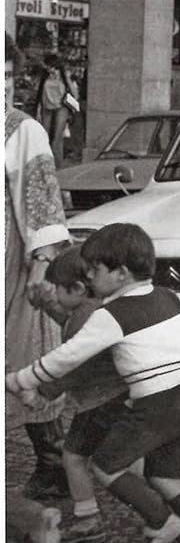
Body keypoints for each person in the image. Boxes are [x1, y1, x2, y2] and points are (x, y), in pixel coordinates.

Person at [3, 222, 180, 543]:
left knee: (105, 465)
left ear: (120, 273)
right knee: (164, 475)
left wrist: (20, 380)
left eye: (95, 270)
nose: (90, 278)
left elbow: (68, 357)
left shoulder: (110, 315)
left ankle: (161, 522)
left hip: (154, 405)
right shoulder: (166, 296)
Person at [5, 33, 71, 500]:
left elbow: (44, 204)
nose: (4, 86)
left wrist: (40, 267)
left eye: (7, 75)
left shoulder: (23, 130)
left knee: (24, 361)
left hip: (12, 271)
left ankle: (55, 465)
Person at [34, 245, 131, 543]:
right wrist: (50, 305)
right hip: (122, 396)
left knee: (74, 457)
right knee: (130, 455)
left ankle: (88, 518)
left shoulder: (82, 319)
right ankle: (163, 502)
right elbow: (68, 320)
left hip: (98, 403)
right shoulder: (97, 309)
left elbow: (73, 365)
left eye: (58, 291)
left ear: (77, 288)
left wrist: (43, 391)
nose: (55, 297)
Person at [35, 53, 76, 164]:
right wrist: (38, 109)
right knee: (44, 134)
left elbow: (75, 94)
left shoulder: (63, 76)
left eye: (48, 65)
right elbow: (40, 93)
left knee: (58, 136)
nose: (47, 68)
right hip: (47, 107)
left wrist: (67, 78)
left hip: (61, 108)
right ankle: (45, 160)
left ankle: (56, 161)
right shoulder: (45, 76)